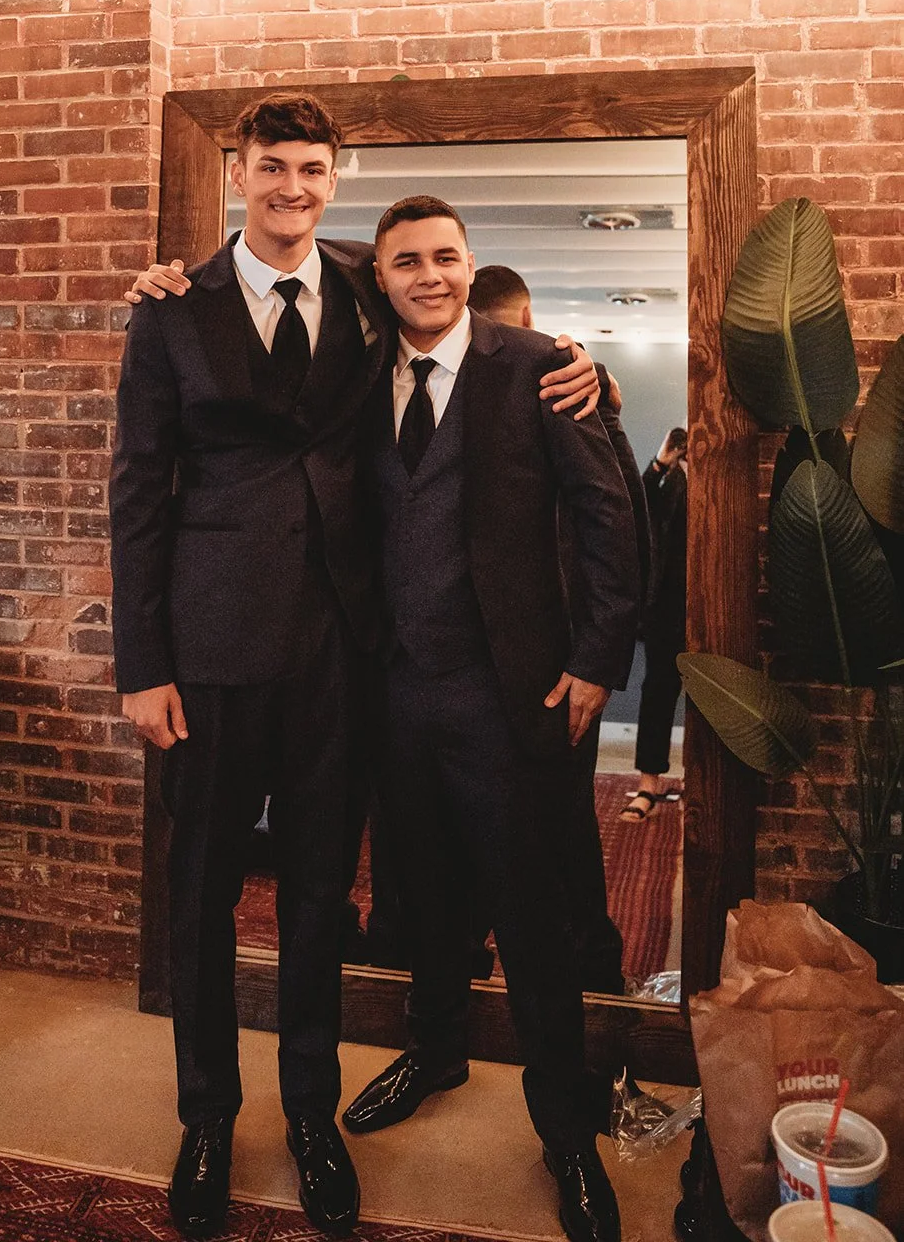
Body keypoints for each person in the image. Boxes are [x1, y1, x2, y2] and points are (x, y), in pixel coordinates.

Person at [113, 92, 602, 1241]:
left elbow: (470, 336)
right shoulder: (171, 309)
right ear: (238, 171)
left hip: (340, 653)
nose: (291, 187)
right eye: (271, 166)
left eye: (311, 169)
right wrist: (142, 660)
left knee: (319, 898)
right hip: (210, 651)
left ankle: (309, 1117)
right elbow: (136, 488)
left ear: (334, 178)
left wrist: (582, 368)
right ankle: (206, 1118)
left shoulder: (363, 286)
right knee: (200, 896)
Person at [342, 197, 640, 1242]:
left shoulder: (539, 367)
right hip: (392, 691)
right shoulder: (354, 371)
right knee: (422, 895)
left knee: (532, 917)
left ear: (470, 266)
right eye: (405, 261)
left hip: (507, 691)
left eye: (445, 257)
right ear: (379, 277)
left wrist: (596, 659)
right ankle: (434, 1050)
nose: (427, 275)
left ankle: (565, 1130)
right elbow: (279, 267)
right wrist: (177, 277)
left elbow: (607, 513)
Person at [466, 262, 650, 997]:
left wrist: (597, 658)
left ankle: (588, 980)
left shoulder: (564, 383)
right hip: (464, 661)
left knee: (558, 829)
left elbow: (616, 519)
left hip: (553, 658)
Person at [619, 427, 687, 823]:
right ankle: (648, 785)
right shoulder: (673, 478)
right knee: (658, 691)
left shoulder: (720, 476)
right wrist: (662, 461)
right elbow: (637, 509)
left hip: (710, 601)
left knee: (711, 699)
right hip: (667, 607)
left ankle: (700, 780)